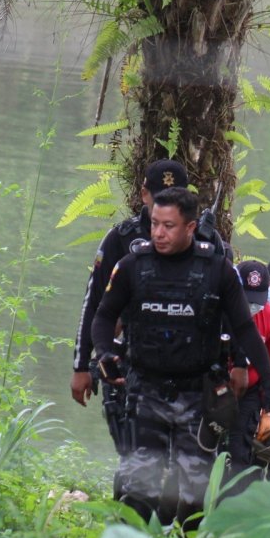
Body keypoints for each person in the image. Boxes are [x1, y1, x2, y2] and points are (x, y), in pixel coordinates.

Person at [91, 187, 270, 525]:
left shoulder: (218, 270)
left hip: (197, 396)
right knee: (138, 491)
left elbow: (245, 330)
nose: (157, 233)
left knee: (194, 497)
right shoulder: (131, 266)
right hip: (144, 391)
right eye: (154, 224)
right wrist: (104, 352)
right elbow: (104, 316)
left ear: (190, 227)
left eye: (168, 226)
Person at [71, 160, 189, 407]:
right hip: (131, 359)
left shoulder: (203, 241)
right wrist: (81, 365)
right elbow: (93, 303)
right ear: (145, 194)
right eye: (161, 199)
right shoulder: (122, 239)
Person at [226, 259, 270, 473]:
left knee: (240, 453)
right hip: (216, 386)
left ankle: (233, 501)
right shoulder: (218, 310)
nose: (251, 307)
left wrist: (268, 409)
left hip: (249, 392)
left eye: (256, 302)